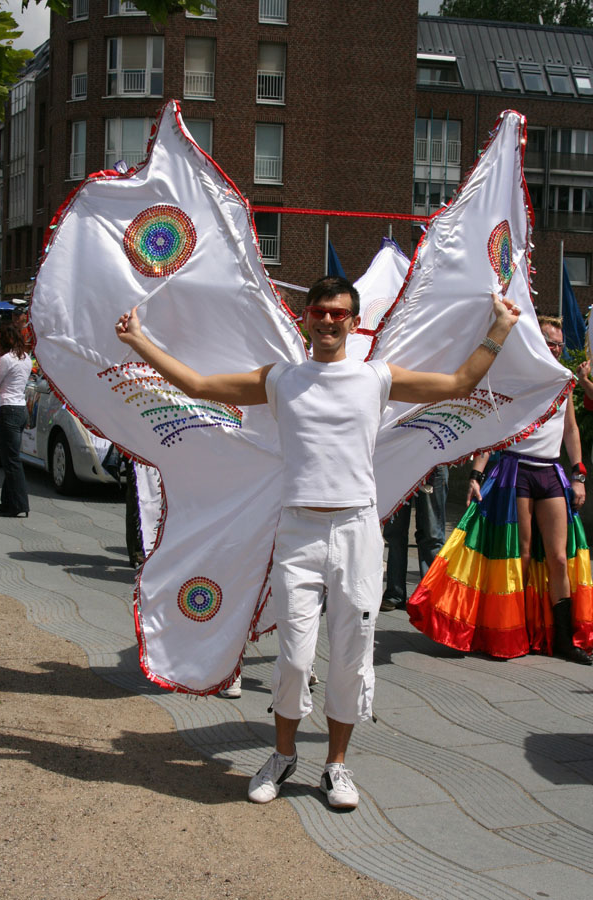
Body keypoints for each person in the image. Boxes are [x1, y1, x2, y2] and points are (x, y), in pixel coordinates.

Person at [115, 276, 519, 810]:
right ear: (306, 316)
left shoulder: (376, 376)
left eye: (338, 313)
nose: (328, 321)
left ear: (353, 322)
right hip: (298, 532)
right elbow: (198, 384)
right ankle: (282, 757)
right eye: (320, 311)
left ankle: (337, 767)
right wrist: (139, 341)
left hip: (356, 531)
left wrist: (499, 329)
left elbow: (457, 384)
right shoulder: (282, 378)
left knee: (352, 655)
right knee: (294, 658)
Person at [408, 315, 593, 666]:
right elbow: (493, 432)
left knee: (558, 557)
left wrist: (578, 473)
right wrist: (476, 475)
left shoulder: (565, 381)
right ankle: (513, 630)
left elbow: (571, 430)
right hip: (515, 469)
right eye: (544, 341)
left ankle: (565, 639)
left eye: (556, 342)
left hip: (550, 471)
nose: (551, 347)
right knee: (518, 555)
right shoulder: (514, 381)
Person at [381, 465, 449, 611]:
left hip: (434, 465)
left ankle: (432, 596)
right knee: (395, 534)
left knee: (432, 535)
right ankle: (394, 593)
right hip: (401, 465)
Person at [0, 322, 32, 517]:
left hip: (7, 409)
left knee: (11, 460)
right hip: (20, 408)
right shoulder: (26, 358)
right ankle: (7, 504)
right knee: (10, 457)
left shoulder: (6, 359)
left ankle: (19, 504)